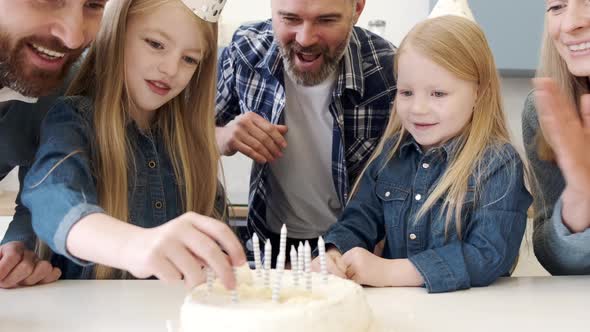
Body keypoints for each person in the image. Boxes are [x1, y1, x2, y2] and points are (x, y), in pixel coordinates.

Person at [20, 0, 245, 289]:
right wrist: (136, 245)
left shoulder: (188, 144)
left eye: (190, 59)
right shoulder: (74, 120)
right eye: (155, 44)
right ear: (116, 34)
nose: (171, 68)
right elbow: (51, 199)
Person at [313, 15, 532, 293]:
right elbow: (358, 222)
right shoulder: (390, 158)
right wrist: (333, 253)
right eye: (406, 92)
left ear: (480, 92)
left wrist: (391, 270)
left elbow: (487, 255)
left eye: (438, 94)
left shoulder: (498, 164)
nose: (417, 108)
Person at [215, 0, 396, 263]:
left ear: (356, 9)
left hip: (358, 249)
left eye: (326, 20)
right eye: (290, 18)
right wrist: (222, 137)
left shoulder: (389, 72)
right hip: (269, 243)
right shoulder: (245, 50)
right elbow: (186, 138)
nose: (305, 38)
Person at [0, 0, 108, 288]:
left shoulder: (60, 85)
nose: (73, 37)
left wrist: (17, 248)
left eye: (94, 5)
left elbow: (37, 188)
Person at [523, 0, 590, 275]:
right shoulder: (544, 111)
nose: (570, 23)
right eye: (557, 6)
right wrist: (580, 194)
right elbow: (555, 260)